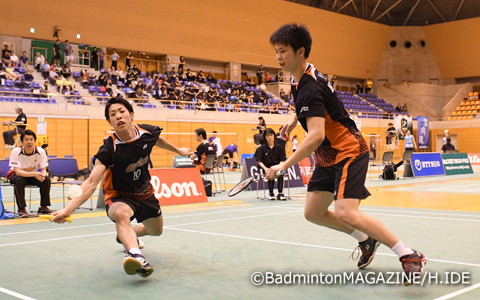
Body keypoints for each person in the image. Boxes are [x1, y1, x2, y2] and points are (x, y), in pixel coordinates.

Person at [267, 23, 426, 286]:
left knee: (346, 213)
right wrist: (295, 118)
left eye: (283, 51)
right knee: (313, 212)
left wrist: (284, 164)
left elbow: (316, 136)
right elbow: (316, 102)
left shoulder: (308, 86)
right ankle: (365, 240)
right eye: (276, 52)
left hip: (348, 149)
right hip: (329, 155)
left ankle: (409, 255)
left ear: (300, 51)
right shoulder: (303, 75)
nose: (278, 57)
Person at [51, 97, 192, 277]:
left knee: (155, 231)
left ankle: (127, 235)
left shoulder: (147, 132)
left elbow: (158, 140)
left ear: (131, 115)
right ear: (109, 122)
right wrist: (68, 209)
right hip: (119, 195)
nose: (118, 116)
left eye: (122, 111)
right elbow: (93, 182)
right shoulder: (109, 149)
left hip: (144, 192)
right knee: (121, 214)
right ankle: (136, 256)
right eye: (113, 114)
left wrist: (179, 151)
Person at [8, 130, 51, 215]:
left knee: (46, 180)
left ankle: (44, 206)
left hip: (32, 174)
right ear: (22, 141)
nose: (29, 141)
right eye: (26, 139)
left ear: (34, 140)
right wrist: (34, 174)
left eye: (31, 139)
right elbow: (18, 172)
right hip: (17, 174)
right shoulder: (16, 151)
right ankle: (21, 208)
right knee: (19, 180)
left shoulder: (41, 151)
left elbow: (43, 169)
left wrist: (43, 174)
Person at [255, 128, 286, 200]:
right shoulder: (261, 148)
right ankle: (271, 193)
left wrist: (279, 167)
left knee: (281, 172)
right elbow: (259, 161)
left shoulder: (279, 147)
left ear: (274, 136)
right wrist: (265, 169)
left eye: (271, 135)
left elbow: (282, 160)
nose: (269, 137)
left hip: (277, 167)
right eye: (267, 135)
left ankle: (280, 193)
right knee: (270, 171)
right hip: (267, 168)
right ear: (265, 137)